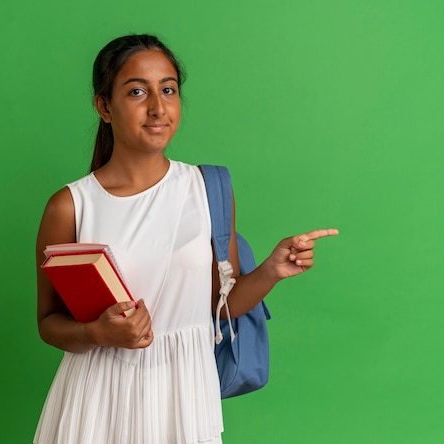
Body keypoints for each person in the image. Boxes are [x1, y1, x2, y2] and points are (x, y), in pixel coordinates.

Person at [33, 34, 338, 444]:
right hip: (98, 399)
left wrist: (270, 271)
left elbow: (221, 303)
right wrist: (96, 334)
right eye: (137, 91)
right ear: (104, 106)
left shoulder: (208, 187)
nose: (158, 107)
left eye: (169, 90)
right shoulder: (70, 206)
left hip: (185, 395)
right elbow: (49, 323)